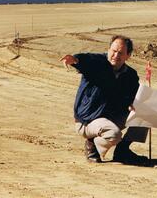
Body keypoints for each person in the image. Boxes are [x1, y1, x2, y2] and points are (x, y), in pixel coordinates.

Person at [60, 35, 147, 163]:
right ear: (109, 50)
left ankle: (122, 151)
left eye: (121, 53)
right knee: (114, 135)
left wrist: (132, 104)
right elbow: (86, 60)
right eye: (114, 51)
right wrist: (75, 59)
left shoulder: (130, 75)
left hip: (109, 118)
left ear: (128, 55)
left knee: (144, 116)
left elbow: (134, 96)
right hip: (87, 121)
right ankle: (92, 144)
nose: (116, 55)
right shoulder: (98, 63)